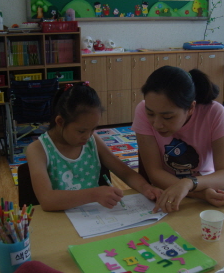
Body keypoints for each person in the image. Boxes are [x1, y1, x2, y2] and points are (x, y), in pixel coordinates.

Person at [26, 83, 162, 211]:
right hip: (60, 222)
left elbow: (125, 172)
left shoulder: (92, 140)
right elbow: (47, 199)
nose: (88, 136)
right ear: (60, 122)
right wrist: (94, 194)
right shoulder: (38, 150)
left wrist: (146, 188)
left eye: (93, 129)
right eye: (81, 131)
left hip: (94, 218)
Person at [132, 66, 224, 213]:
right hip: (174, 192)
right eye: (151, 114)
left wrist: (188, 184)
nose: (157, 124)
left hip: (207, 185)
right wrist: (199, 193)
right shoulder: (142, 110)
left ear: (191, 107)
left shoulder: (214, 113)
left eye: (168, 117)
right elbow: (155, 173)